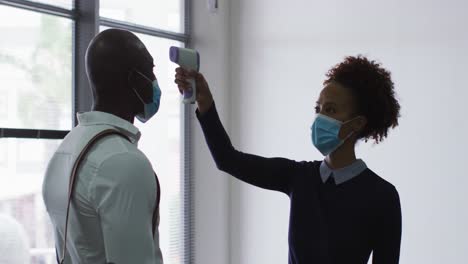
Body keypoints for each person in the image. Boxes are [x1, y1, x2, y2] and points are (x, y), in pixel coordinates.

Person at [174, 55, 402, 263]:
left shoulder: (382, 196)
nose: (320, 117)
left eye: (331, 110)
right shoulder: (298, 177)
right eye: (318, 108)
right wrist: (205, 101)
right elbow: (227, 159)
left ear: (358, 123)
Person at [43, 29, 163, 264]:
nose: (154, 81)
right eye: (150, 71)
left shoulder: (66, 149)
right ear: (134, 79)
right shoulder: (123, 161)